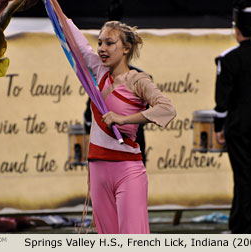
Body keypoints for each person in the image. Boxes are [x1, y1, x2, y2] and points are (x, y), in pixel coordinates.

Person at [67, 17, 176, 234]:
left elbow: (167, 109)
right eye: (100, 43)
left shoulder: (138, 80)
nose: (102, 48)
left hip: (127, 169)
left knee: (132, 240)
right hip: (97, 168)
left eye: (109, 43)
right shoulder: (98, 71)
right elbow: (76, 41)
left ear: (126, 48)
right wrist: (53, 6)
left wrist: (123, 119)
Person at [213, 4, 251, 234]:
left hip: (237, 124)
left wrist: (219, 126)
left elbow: (222, 99)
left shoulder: (228, 59)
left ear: (237, 29)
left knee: (242, 176)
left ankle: (240, 228)